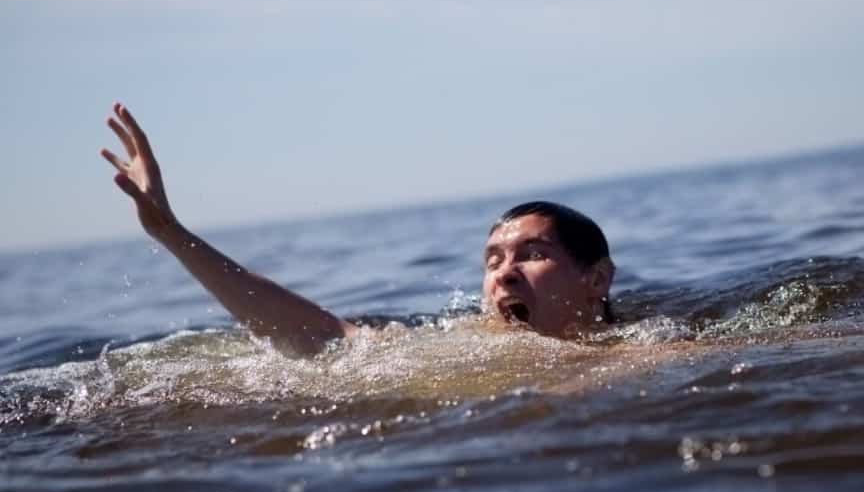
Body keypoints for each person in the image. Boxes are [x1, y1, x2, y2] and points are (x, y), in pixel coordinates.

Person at [100, 102, 615, 356]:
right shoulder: (452, 348)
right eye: (493, 260)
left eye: (533, 253)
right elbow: (322, 335)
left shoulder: (642, 360)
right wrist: (171, 232)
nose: (504, 275)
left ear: (596, 280)